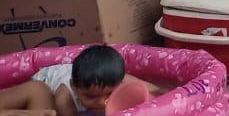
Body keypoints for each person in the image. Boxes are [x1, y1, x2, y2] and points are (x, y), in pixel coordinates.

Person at [0, 45, 162, 116]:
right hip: (44, 84)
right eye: (90, 97)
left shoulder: (121, 81)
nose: (100, 102)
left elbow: (158, 91)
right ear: (75, 87)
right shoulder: (65, 99)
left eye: (108, 95)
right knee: (42, 96)